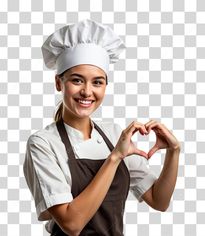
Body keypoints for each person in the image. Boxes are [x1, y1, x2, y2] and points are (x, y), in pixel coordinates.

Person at [23, 19, 180, 236]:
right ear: (59, 83)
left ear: (105, 86)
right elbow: (71, 224)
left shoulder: (114, 134)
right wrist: (114, 157)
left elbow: (159, 200)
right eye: (77, 80)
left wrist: (174, 151)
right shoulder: (43, 143)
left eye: (97, 82)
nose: (87, 92)